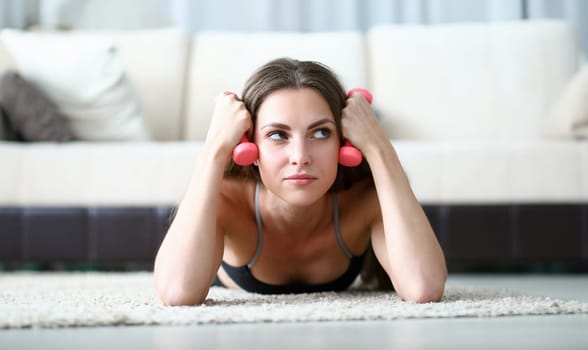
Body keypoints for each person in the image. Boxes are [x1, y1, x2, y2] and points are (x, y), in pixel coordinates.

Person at [154, 57, 447, 305]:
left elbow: (423, 287)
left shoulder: (364, 199)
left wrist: (379, 148)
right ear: (250, 147)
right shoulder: (225, 201)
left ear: (342, 144)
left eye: (320, 133)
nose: (300, 157)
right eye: (278, 135)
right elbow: (177, 293)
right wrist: (216, 148)